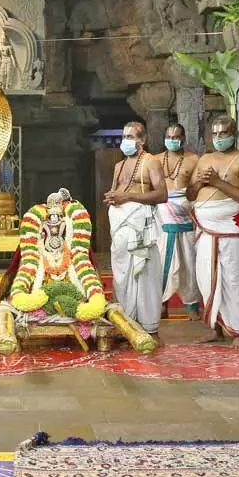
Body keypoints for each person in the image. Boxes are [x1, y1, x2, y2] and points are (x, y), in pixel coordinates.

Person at [187, 115, 239, 349]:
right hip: (205, 228)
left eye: (223, 133)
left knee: (236, 279)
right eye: (215, 134)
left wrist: (218, 183)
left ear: (234, 134)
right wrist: (200, 184)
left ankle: (238, 332)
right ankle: (215, 328)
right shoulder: (204, 159)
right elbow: (190, 194)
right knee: (206, 277)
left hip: (231, 226)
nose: (218, 138)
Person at [105, 122, 168, 338]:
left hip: (141, 227)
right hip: (121, 227)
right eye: (124, 137)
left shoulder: (151, 162)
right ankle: (126, 324)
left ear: (142, 140)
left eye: (130, 137)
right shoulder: (119, 166)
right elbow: (116, 193)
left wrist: (128, 197)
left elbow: (162, 194)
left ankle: (149, 327)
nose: (126, 141)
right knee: (122, 276)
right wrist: (112, 198)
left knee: (145, 276)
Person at [153, 123, 202, 321]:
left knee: (190, 264)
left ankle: (193, 309)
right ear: (164, 137)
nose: (172, 140)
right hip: (162, 219)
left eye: (176, 136)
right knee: (160, 264)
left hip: (184, 217)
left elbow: (197, 189)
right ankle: (161, 306)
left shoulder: (193, 160)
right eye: (169, 136)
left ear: (183, 138)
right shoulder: (155, 160)